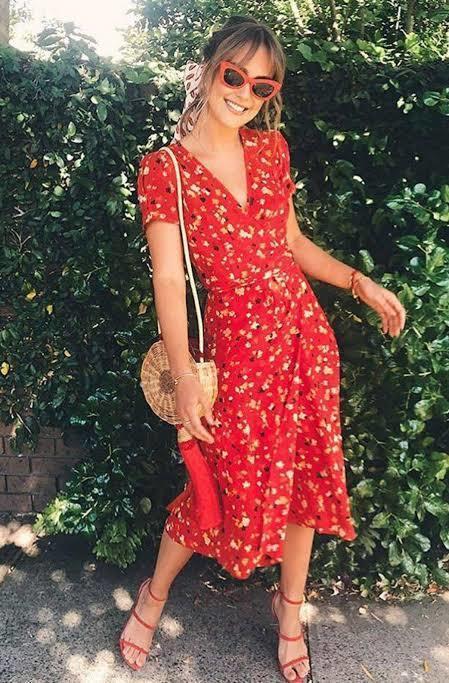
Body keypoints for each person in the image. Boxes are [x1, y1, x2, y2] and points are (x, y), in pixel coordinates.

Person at [120, 15, 407, 682]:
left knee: (304, 477)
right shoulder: (166, 170)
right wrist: (185, 375)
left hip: (302, 339)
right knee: (213, 484)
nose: (244, 92)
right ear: (208, 69)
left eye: (262, 85)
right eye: (233, 75)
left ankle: (290, 613)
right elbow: (169, 278)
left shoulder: (272, 151)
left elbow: (292, 243)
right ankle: (152, 596)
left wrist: (357, 282)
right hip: (237, 355)